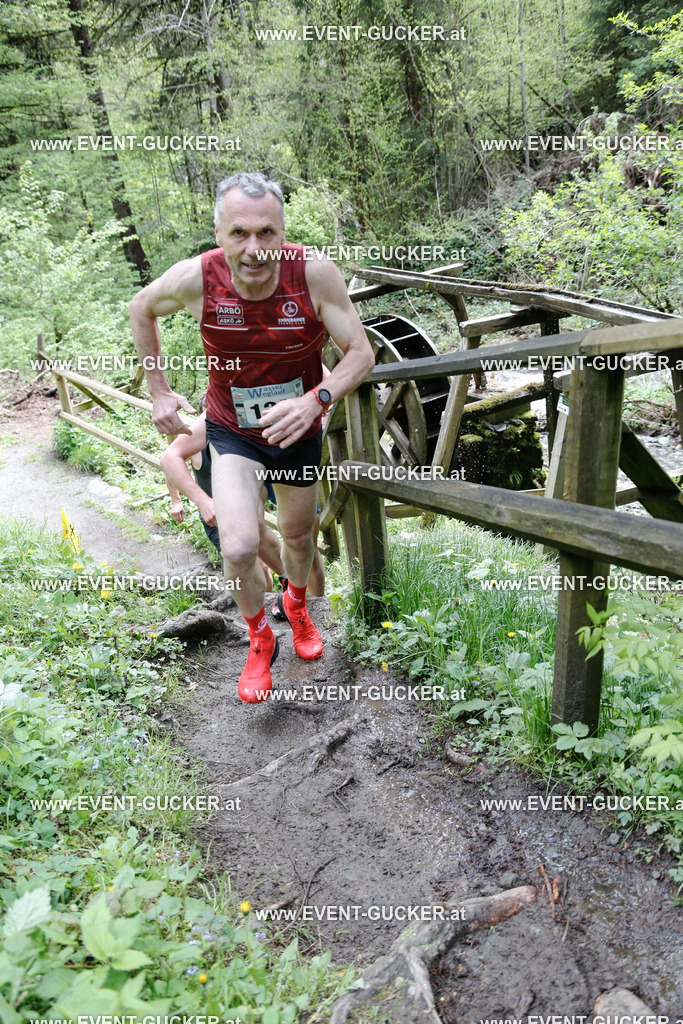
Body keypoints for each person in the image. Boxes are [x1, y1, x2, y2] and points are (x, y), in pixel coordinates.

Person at [130, 171, 374, 702]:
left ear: (283, 231)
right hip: (231, 430)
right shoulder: (197, 278)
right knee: (239, 546)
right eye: (239, 233)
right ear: (218, 234)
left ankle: (298, 608)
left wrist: (318, 399)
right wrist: (159, 391)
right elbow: (140, 307)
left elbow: (361, 352)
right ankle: (260, 639)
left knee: (298, 538)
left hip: (297, 429)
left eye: (267, 233)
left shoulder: (313, 274)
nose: (254, 248)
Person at [160, 402, 326, 599]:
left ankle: (307, 601)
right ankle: (278, 601)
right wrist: (190, 501)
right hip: (218, 517)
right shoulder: (205, 430)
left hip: (274, 473)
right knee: (254, 564)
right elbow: (170, 460)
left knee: (305, 547)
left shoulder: (254, 414)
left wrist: (321, 402)